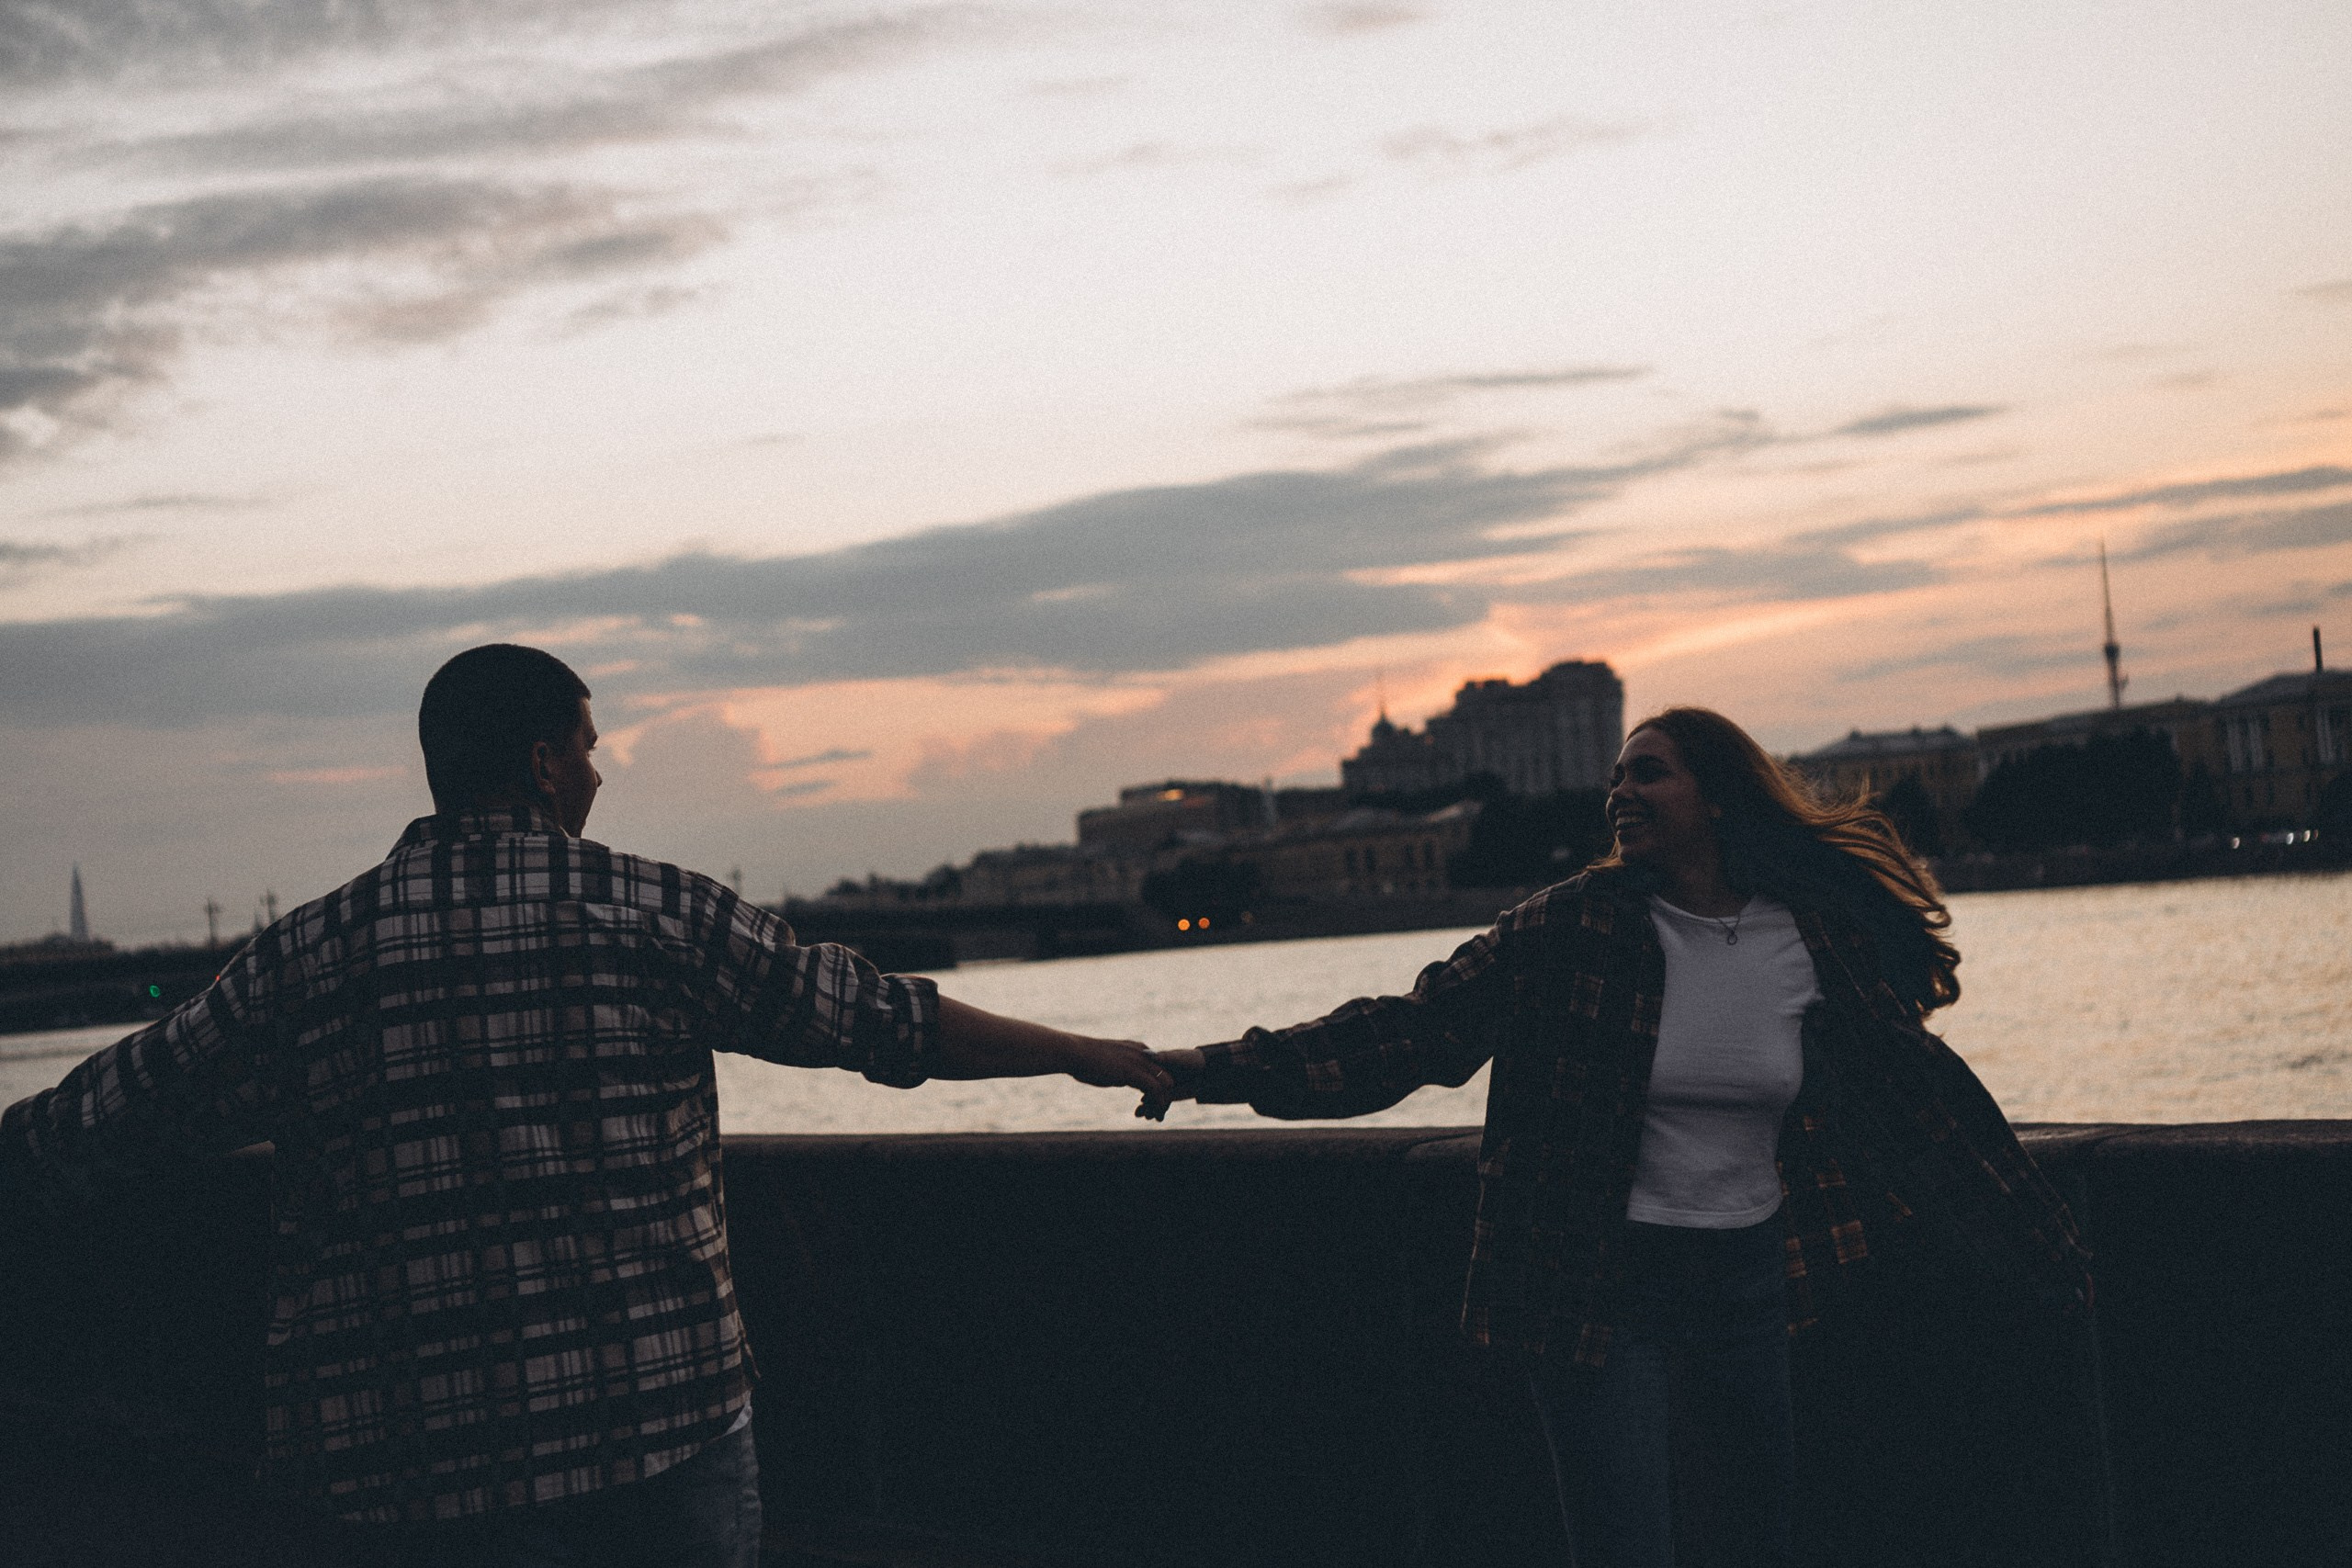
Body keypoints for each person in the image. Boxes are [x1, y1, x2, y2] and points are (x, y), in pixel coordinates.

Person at [0, 643, 1173, 1568]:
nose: (602, 772)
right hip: (651, 1428)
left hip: (410, 1456)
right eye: (591, 746)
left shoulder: (306, 956)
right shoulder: (656, 914)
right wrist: (1089, 1054)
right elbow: (887, 1023)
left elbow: (104, 1120)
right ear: (544, 763)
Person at [1145, 706, 2089, 1568]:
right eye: (1616, 778)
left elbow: (1924, 1107)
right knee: (1622, 1545)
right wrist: (1211, 1070)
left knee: (1757, 1539)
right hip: (1597, 1283)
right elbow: (1412, 1032)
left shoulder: (1811, 939)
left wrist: (2052, 1251)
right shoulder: (1570, 925)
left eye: (1650, 774)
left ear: (1718, 796)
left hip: (1755, 1281)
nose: (1620, 793)